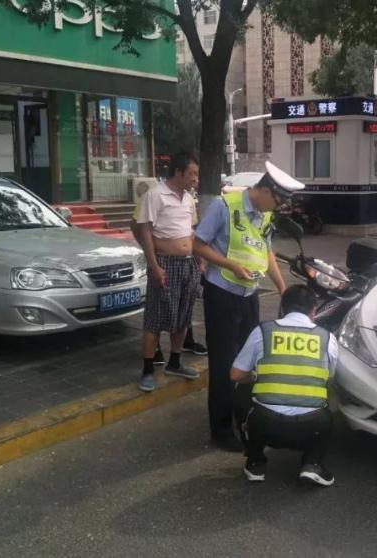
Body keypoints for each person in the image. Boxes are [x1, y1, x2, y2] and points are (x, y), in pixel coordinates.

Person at [193, 162, 303, 451]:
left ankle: (245, 419)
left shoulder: (265, 216)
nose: (277, 208)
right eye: (277, 201)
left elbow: (266, 254)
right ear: (265, 190)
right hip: (222, 294)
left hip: (249, 295)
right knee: (223, 363)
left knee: (250, 361)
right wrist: (230, 264)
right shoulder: (224, 206)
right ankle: (220, 430)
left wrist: (283, 289)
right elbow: (198, 244)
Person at [230, 285, 338, 486]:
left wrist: (257, 376)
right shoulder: (328, 338)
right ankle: (312, 463)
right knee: (327, 407)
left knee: (242, 389)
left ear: (282, 308)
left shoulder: (262, 330)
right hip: (311, 428)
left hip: (265, 425)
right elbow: (329, 378)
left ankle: (255, 462)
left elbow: (236, 374)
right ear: (314, 311)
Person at [134, 152, 201, 392]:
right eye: (192, 173)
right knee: (155, 318)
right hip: (165, 264)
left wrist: (199, 262)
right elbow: (144, 232)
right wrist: (154, 266)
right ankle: (148, 369)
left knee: (183, 316)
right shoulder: (155, 195)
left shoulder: (189, 198)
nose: (195, 178)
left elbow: (191, 232)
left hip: (187, 264)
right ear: (178, 172)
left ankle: (175, 362)